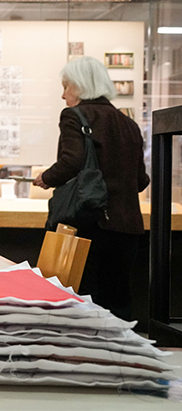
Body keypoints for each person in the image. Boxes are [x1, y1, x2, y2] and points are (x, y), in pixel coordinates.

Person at [33, 56, 148, 320]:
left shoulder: (75, 116)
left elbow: (71, 161)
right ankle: (125, 357)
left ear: (81, 86)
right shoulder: (128, 123)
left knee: (81, 301)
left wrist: (46, 178)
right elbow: (141, 181)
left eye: (66, 87)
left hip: (90, 223)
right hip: (127, 228)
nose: (63, 95)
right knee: (118, 302)